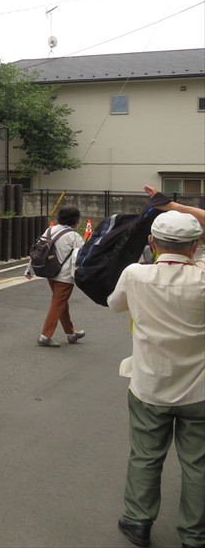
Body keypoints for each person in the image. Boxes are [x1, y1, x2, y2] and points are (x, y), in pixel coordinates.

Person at [107, 210, 204, 548]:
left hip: (149, 386)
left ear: (152, 243)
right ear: (195, 246)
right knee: (198, 464)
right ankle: (194, 535)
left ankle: (138, 522)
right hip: (200, 391)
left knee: (146, 455)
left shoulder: (135, 274)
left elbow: (114, 304)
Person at [24, 206, 86, 347]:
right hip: (64, 277)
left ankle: (71, 334)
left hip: (50, 272)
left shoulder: (50, 230)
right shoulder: (74, 236)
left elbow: (39, 250)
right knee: (58, 303)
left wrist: (29, 268)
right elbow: (82, 255)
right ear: (75, 221)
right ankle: (45, 336)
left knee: (61, 303)